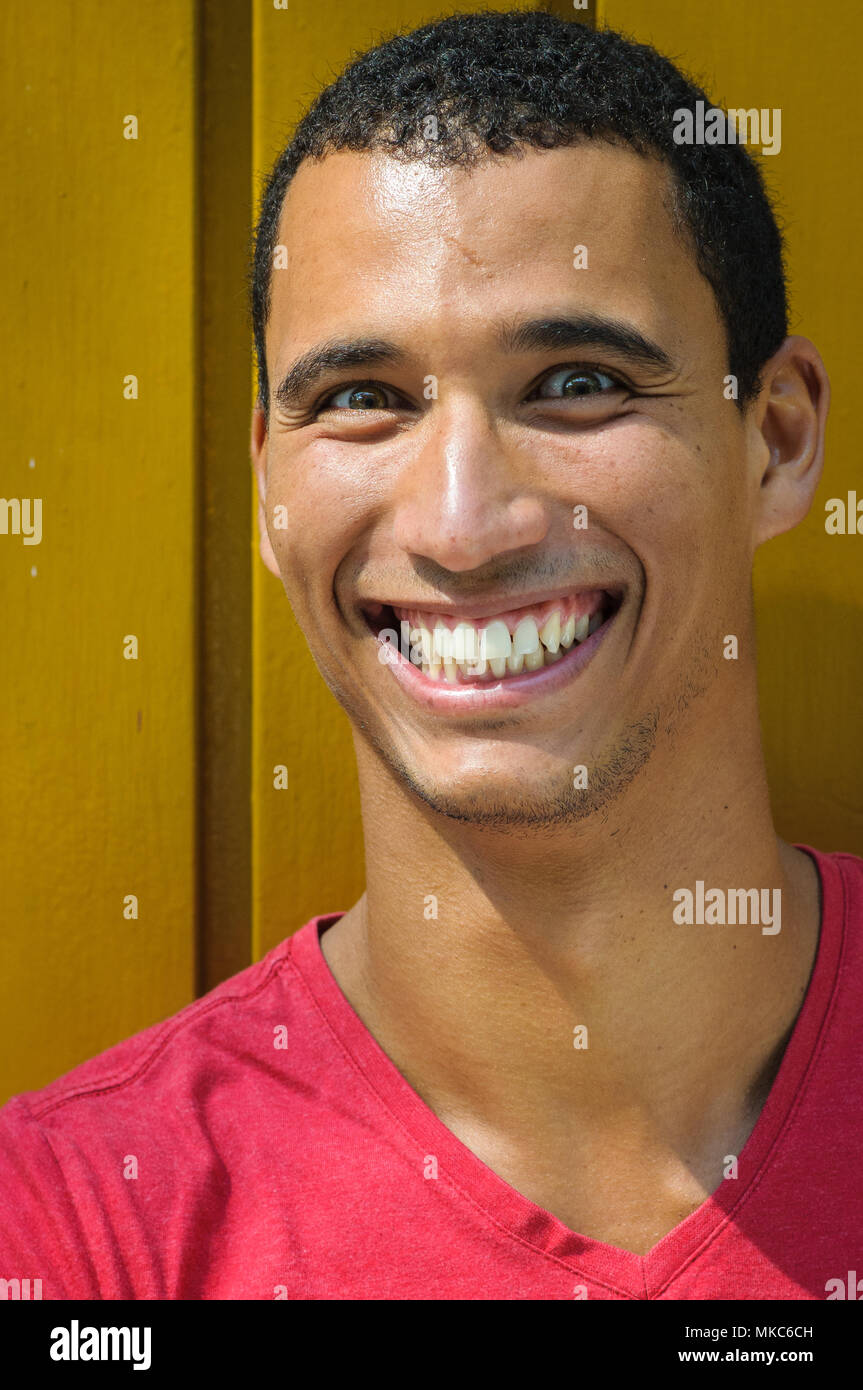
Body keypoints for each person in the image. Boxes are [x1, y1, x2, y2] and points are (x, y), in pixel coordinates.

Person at [1, 9, 859, 1301]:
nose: (463, 526)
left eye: (577, 381)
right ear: (269, 482)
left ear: (778, 440)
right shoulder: (80, 1238)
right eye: (361, 400)